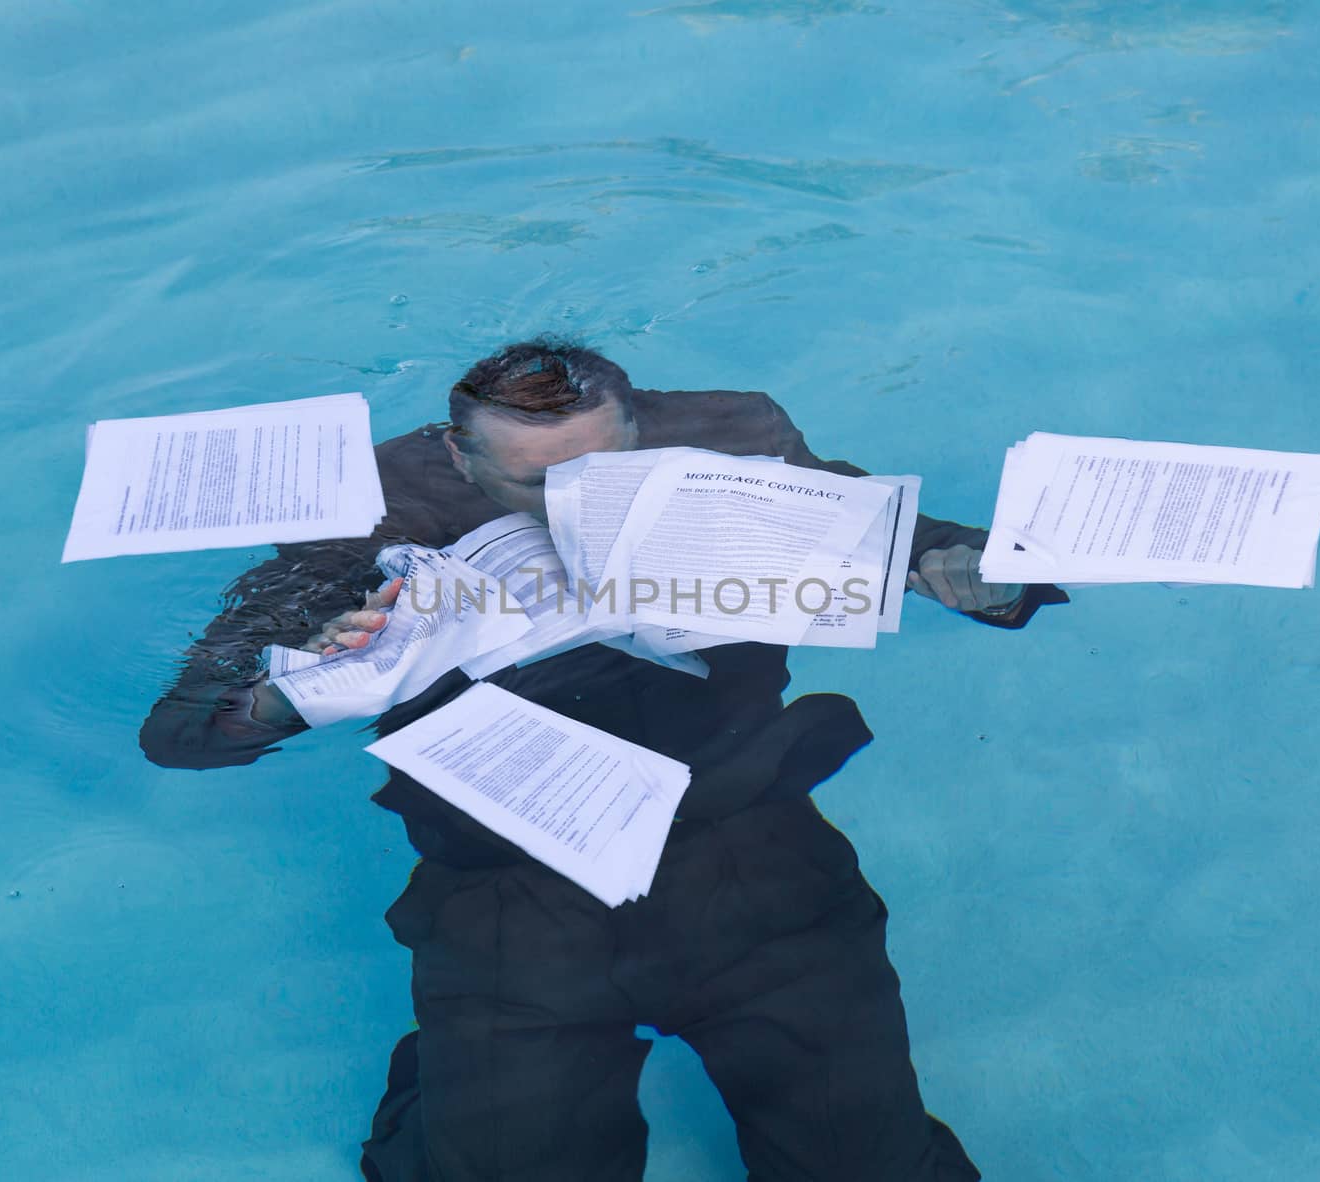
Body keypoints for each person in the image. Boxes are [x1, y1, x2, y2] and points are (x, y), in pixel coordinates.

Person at [141, 339, 1066, 1181]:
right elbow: (181, 733)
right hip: (509, 886)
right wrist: (291, 687)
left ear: (640, 429)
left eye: (606, 469)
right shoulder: (375, 518)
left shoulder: (730, 447)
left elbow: (932, 546)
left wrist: (982, 582)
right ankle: (445, 1078)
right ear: (462, 461)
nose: (579, 504)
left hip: (747, 847)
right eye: (538, 485)